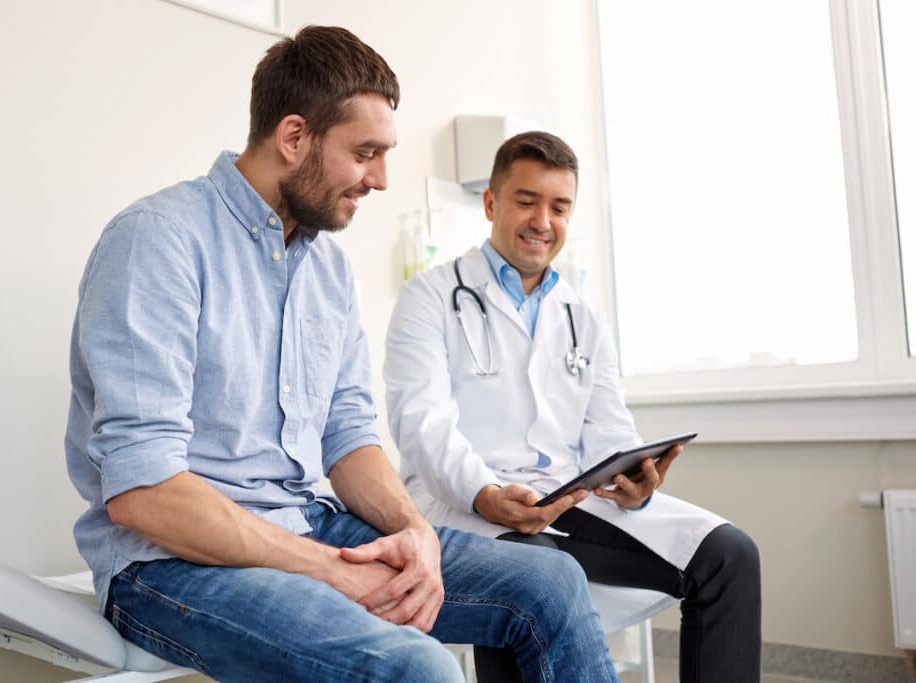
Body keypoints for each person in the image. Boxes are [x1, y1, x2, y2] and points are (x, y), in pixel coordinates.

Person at [65, 27, 620, 683]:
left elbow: (348, 436)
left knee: (551, 580)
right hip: (169, 563)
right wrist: (330, 572)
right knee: (419, 667)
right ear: (294, 137)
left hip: (307, 523)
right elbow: (144, 494)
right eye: (365, 153)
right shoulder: (159, 241)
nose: (382, 179)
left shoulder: (325, 267)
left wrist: (414, 531)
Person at [384, 131, 762, 683]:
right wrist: (485, 494)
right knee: (530, 575)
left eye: (559, 206)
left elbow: (608, 432)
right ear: (491, 203)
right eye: (526, 200)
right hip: (463, 505)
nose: (543, 220)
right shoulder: (430, 298)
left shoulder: (582, 317)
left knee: (730, 555)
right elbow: (422, 425)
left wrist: (633, 481)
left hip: (567, 500)